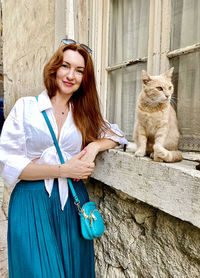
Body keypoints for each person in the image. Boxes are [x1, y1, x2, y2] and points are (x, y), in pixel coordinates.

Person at [0, 39, 128, 278]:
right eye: (65, 66)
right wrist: (63, 170)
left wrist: (94, 147)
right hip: (31, 202)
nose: (71, 75)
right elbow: (10, 163)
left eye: (79, 70)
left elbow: (117, 134)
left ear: (84, 78)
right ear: (54, 69)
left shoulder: (83, 113)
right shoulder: (26, 107)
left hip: (71, 202)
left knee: (73, 270)